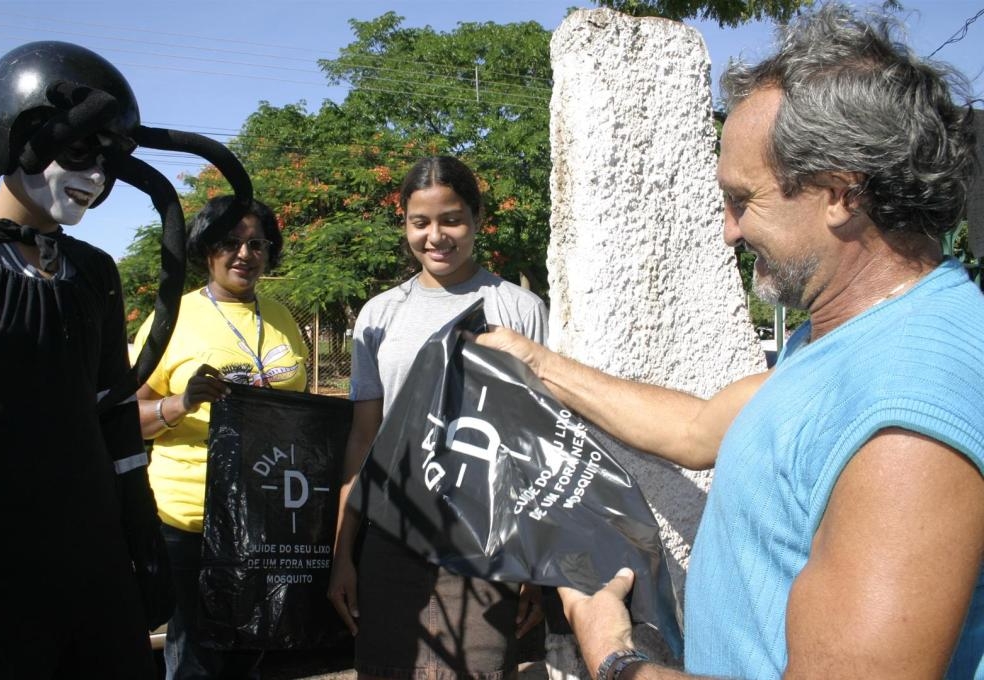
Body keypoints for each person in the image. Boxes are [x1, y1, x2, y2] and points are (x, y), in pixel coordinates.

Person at [474, 5, 983, 679]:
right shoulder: (848, 337)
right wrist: (535, 361)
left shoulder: (907, 407)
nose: (728, 231)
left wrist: (614, 654)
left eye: (743, 200)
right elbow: (695, 427)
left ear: (841, 192)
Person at [0, 41, 170, 679]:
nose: (96, 178)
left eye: (109, 162)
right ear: (11, 138)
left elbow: (114, 410)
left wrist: (141, 532)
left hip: (91, 554)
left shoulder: (93, 271)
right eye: (81, 152)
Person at [328, 155, 547, 679]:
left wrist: (536, 565)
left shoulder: (519, 308)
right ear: (404, 222)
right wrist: (343, 553)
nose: (436, 236)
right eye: (419, 222)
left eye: (451, 219)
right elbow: (364, 440)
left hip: (484, 545)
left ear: (476, 218)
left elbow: (535, 442)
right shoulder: (380, 316)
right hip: (391, 539)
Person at [132, 195, 309, 679]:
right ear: (207, 249)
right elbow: (123, 418)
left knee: (253, 650)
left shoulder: (282, 318)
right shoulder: (172, 318)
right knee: (195, 659)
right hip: (189, 520)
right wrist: (180, 404)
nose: (245, 254)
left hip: (267, 516)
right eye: (230, 242)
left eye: (257, 243)